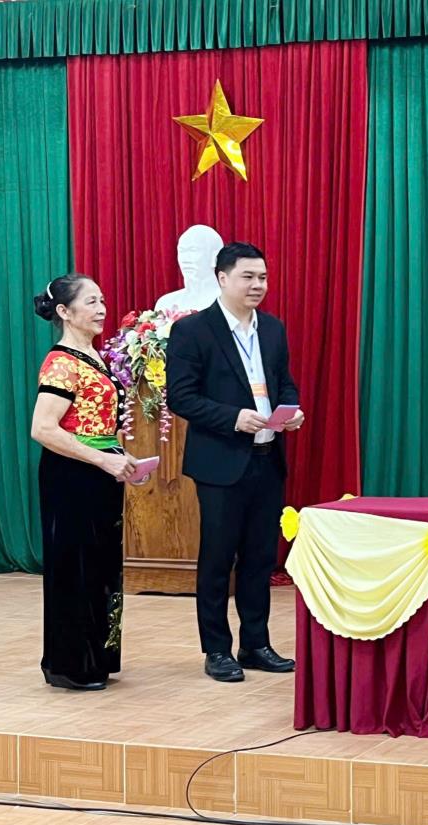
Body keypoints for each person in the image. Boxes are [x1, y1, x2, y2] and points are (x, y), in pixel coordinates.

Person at [166, 242, 304, 683]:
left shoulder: (273, 329)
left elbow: (284, 383)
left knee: (261, 558)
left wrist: (291, 409)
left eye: (262, 277)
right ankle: (216, 649)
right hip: (221, 463)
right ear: (222, 278)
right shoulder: (193, 331)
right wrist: (233, 418)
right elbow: (181, 397)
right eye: (248, 276)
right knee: (217, 559)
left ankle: (255, 644)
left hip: (267, 458)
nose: (257, 285)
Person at [31, 274, 139, 691]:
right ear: (64, 311)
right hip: (71, 476)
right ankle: (71, 665)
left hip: (99, 472)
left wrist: (120, 457)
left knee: (100, 565)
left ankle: (97, 658)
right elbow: (44, 428)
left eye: (102, 300)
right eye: (91, 302)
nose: (101, 309)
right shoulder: (61, 362)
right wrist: (102, 458)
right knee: (74, 566)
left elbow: (98, 425)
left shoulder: (94, 356)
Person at [155, 225, 224, 314]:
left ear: (215, 256)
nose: (185, 259)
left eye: (193, 250)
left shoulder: (229, 302)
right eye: (182, 251)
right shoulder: (166, 303)